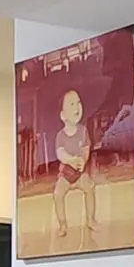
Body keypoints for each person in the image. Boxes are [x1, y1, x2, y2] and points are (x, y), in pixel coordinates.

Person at [50, 88, 96, 245]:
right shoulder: (60, 136)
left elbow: (86, 149)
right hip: (65, 175)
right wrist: (71, 160)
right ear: (63, 115)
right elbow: (60, 153)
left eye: (78, 103)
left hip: (80, 174)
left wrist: (82, 160)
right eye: (71, 104)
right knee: (58, 194)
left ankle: (90, 219)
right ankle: (62, 224)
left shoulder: (83, 131)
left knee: (90, 188)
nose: (77, 107)